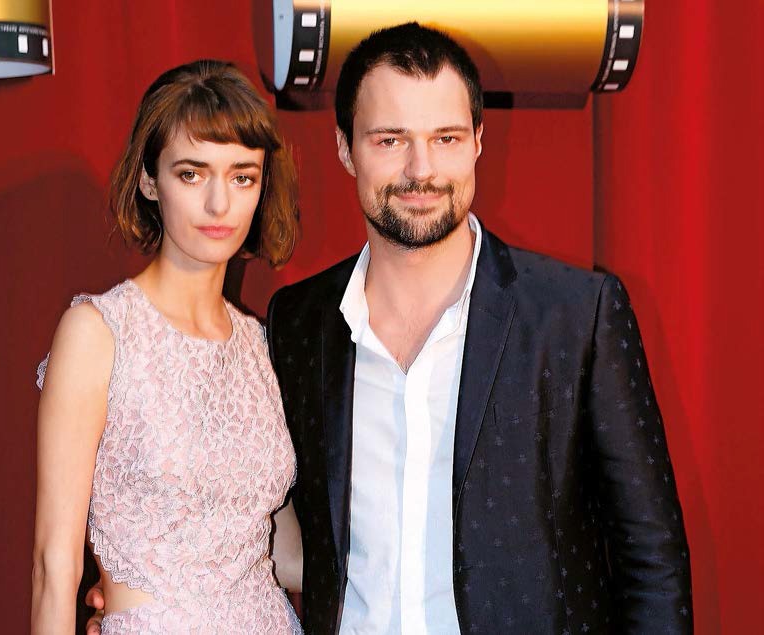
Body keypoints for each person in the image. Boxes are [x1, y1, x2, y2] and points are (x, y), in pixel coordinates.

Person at [266, 23, 693, 634]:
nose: (421, 170)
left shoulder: (577, 316)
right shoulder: (298, 323)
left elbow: (652, 561)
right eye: (390, 139)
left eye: (446, 138)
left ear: (478, 142)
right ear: (345, 148)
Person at [31, 60, 303, 634]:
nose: (219, 204)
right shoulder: (98, 332)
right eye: (192, 174)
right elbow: (54, 567)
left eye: (242, 177)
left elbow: (281, 551)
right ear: (150, 180)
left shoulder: (259, 345)